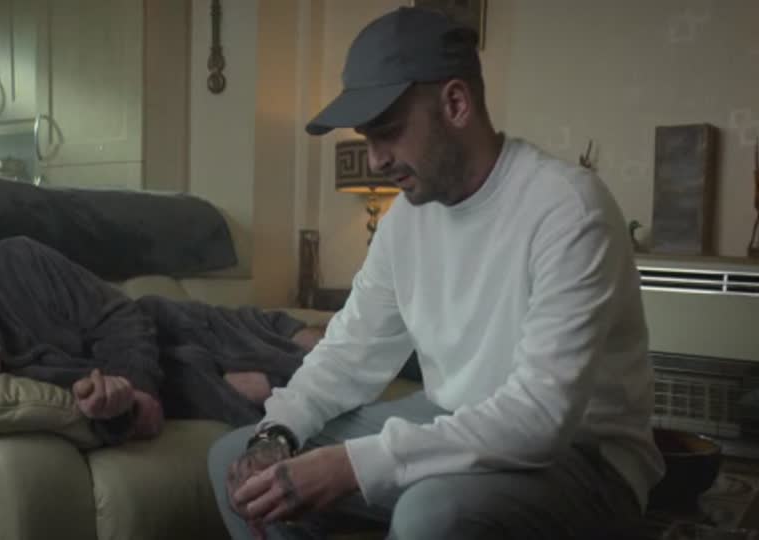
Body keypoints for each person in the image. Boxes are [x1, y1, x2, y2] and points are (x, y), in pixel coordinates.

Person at [208, 7, 664, 540]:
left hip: (585, 455)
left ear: (456, 103)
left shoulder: (568, 210)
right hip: (451, 419)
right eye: (367, 137)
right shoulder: (405, 222)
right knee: (234, 465)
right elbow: (349, 353)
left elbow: (540, 416)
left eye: (388, 132)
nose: (375, 160)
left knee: (430, 514)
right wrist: (277, 434)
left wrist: (350, 466)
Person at [0, 236, 326, 445]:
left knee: (309, 342)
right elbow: (103, 410)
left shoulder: (12, 263)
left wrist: (137, 387)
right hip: (184, 371)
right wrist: (119, 407)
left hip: (168, 322)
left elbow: (119, 315)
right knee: (277, 386)